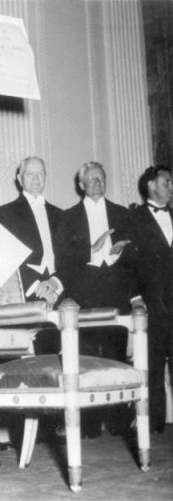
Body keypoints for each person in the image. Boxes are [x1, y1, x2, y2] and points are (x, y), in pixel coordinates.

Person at [55, 161, 136, 437]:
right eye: (91, 179)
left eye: (101, 178)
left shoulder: (123, 214)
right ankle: (88, 426)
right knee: (87, 359)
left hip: (116, 290)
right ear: (81, 185)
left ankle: (118, 422)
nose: (97, 183)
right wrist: (92, 249)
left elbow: (136, 257)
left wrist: (119, 252)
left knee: (116, 357)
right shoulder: (67, 217)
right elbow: (63, 260)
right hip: (85, 292)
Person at [0, 156, 63, 352]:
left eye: (40, 174)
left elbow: (68, 258)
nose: (35, 179)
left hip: (61, 294)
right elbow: (4, 258)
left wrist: (56, 284)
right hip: (28, 294)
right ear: (19, 178)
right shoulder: (5, 213)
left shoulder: (61, 215)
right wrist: (37, 286)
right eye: (30, 174)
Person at [130, 165, 173, 435]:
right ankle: (155, 424)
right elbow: (128, 263)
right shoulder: (133, 217)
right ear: (151, 185)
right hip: (153, 301)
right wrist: (135, 296)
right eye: (167, 181)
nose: (171, 186)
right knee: (154, 363)